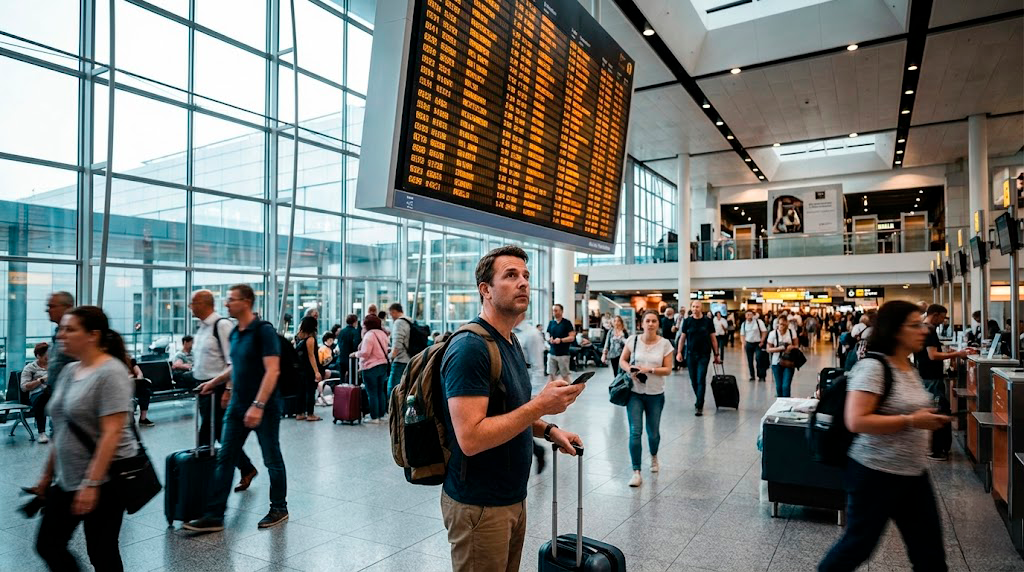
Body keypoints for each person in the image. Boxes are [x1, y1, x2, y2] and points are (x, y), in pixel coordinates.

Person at [440, 245, 583, 572]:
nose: (523, 283)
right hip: (479, 505)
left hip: (511, 498)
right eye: (511, 275)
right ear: (485, 290)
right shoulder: (470, 348)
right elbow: (471, 438)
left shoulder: (508, 340)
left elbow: (510, 411)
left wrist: (549, 429)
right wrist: (540, 406)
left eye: (526, 276)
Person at [818, 301, 953, 571]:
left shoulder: (907, 367)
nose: (923, 331)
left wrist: (924, 416)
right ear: (895, 330)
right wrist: (913, 420)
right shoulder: (874, 368)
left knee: (930, 556)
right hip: (875, 472)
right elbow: (856, 420)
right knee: (857, 547)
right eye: (914, 325)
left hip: (912, 472)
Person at [31, 306, 137, 571]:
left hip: (105, 482)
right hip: (67, 478)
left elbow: (111, 433)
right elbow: (63, 427)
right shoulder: (69, 371)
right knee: (48, 544)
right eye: (61, 329)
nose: (61, 335)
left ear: (92, 335)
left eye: (70, 329)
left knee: (102, 552)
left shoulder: (111, 372)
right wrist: (46, 477)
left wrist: (91, 484)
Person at [184, 284, 288, 532]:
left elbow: (273, 370)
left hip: (264, 406)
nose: (227, 303)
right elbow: (235, 366)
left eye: (231, 299)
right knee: (226, 457)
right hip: (238, 406)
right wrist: (214, 382)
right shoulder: (235, 333)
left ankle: (279, 507)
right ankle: (214, 515)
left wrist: (258, 405)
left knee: (271, 458)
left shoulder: (263, 332)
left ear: (247, 302)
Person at [189, 289, 258, 494]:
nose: (191, 306)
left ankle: (204, 485)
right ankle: (245, 468)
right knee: (217, 433)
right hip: (205, 389)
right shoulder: (202, 328)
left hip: (218, 389)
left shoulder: (222, 325)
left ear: (204, 303)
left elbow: (234, 361)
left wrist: (228, 389)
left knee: (209, 436)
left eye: (193, 302)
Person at [619, 310, 674, 487]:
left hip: (655, 394)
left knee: (654, 433)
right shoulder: (633, 340)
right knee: (635, 431)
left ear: (658, 324)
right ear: (642, 323)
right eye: (647, 321)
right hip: (635, 393)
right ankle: (636, 471)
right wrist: (631, 370)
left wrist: (648, 370)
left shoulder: (665, 344)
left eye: (654, 321)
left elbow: (667, 369)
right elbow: (623, 361)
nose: (650, 324)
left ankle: (654, 456)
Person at [917, 304, 974, 461]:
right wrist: (957, 354)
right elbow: (933, 355)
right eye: (943, 317)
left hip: (928, 376)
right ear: (935, 315)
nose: (943, 320)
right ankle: (935, 450)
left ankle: (937, 448)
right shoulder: (929, 330)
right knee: (938, 412)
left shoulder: (924, 329)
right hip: (931, 378)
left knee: (938, 410)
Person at [676, 301, 721, 416]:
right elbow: (682, 338)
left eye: (697, 307)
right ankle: (699, 398)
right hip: (690, 354)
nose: (695, 308)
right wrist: (679, 352)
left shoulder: (707, 321)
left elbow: (713, 339)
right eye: (693, 306)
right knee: (693, 380)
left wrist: (716, 354)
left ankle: (699, 404)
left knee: (701, 378)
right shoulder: (687, 321)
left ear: (701, 308)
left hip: (704, 354)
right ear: (691, 307)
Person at [356, 314, 390, 423]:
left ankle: (374, 417)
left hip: (371, 366)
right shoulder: (383, 334)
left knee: (372, 393)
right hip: (383, 365)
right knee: (380, 391)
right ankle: (382, 415)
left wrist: (356, 354)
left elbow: (365, 353)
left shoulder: (369, 335)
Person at [293, 317, 323, 422]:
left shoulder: (298, 338)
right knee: (310, 391)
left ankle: (299, 413)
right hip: (308, 369)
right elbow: (311, 356)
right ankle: (310, 414)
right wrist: (316, 371)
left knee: (300, 391)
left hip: (300, 369)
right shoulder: (310, 339)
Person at [45, 291, 76, 394]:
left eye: (52, 306)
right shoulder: (57, 332)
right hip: (54, 392)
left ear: (68, 307)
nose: (48, 310)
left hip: (69, 394)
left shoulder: (76, 335)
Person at [21, 343, 51, 443]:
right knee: (43, 396)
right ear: (38, 355)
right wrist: (41, 380)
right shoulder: (30, 368)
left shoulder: (53, 366)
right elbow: (24, 387)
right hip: (36, 395)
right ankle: (42, 432)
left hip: (53, 393)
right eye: (47, 355)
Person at [513, 314, 546, 393]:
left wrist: (534, 392)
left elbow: (537, 366)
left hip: (524, 381)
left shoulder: (532, 334)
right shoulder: (506, 330)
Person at [766, 318, 797, 397]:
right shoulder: (773, 334)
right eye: (780, 324)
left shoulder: (791, 332)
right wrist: (780, 349)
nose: (782, 326)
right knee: (779, 386)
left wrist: (791, 347)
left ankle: (786, 402)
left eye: (784, 324)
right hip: (776, 362)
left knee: (786, 386)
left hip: (789, 362)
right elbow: (768, 349)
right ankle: (780, 402)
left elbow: (796, 345)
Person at [387, 303, 412, 397]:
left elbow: (397, 345)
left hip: (400, 361)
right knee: (406, 390)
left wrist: (391, 357)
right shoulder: (410, 321)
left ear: (394, 311)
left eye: (391, 314)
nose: (391, 317)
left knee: (393, 390)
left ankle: (394, 411)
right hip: (410, 359)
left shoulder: (399, 323)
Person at [546, 304, 574, 381]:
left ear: (561, 311)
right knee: (551, 375)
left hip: (563, 354)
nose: (554, 312)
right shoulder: (551, 323)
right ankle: (551, 391)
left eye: (556, 310)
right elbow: (547, 334)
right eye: (553, 310)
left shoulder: (567, 323)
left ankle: (569, 390)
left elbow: (572, 337)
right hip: (552, 353)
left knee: (565, 376)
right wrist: (549, 339)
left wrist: (561, 340)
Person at [740, 311, 768, 382]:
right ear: (745, 316)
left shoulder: (759, 322)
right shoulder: (744, 324)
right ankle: (752, 375)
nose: (749, 316)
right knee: (750, 360)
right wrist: (744, 342)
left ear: (753, 315)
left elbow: (764, 331)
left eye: (750, 314)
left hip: (758, 343)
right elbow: (742, 334)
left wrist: (762, 341)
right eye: (747, 314)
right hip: (749, 343)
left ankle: (761, 375)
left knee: (759, 358)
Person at [337, 314, 361, 383]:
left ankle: (342, 392)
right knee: (353, 379)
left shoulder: (342, 331)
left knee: (342, 379)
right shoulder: (355, 332)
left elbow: (339, 343)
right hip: (352, 359)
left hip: (342, 358)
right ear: (355, 321)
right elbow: (356, 345)